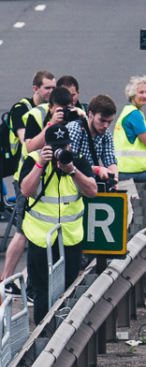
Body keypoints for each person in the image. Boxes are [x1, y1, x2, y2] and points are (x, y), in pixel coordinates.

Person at [20, 98, 99, 324]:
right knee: (42, 289)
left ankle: (64, 327)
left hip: (70, 236)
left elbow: (92, 191)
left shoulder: (76, 161)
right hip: (40, 236)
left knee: (68, 286)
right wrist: (40, 166)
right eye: (54, 148)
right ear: (46, 147)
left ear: (68, 146)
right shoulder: (34, 159)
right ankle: (44, 332)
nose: (58, 153)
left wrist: (72, 170)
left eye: (62, 148)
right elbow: (25, 191)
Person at [1, 71, 56, 296]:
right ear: (36, 89)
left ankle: (31, 281)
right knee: (24, 230)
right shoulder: (21, 110)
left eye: (54, 88)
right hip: (24, 175)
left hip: (45, 174)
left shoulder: (48, 110)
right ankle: (5, 280)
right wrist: (51, 126)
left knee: (33, 230)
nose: (51, 92)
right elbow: (28, 143)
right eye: (47, 88)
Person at [67, 95, 120, 187]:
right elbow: (68, 164)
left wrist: (114, 179)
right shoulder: (75, 129)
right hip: (70, 183)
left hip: (89, 185)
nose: (106, 126)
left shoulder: (106, 134)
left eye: (109, 121)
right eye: (102, 120)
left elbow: (110, 161)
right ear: (90, 115)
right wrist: (97, 170)